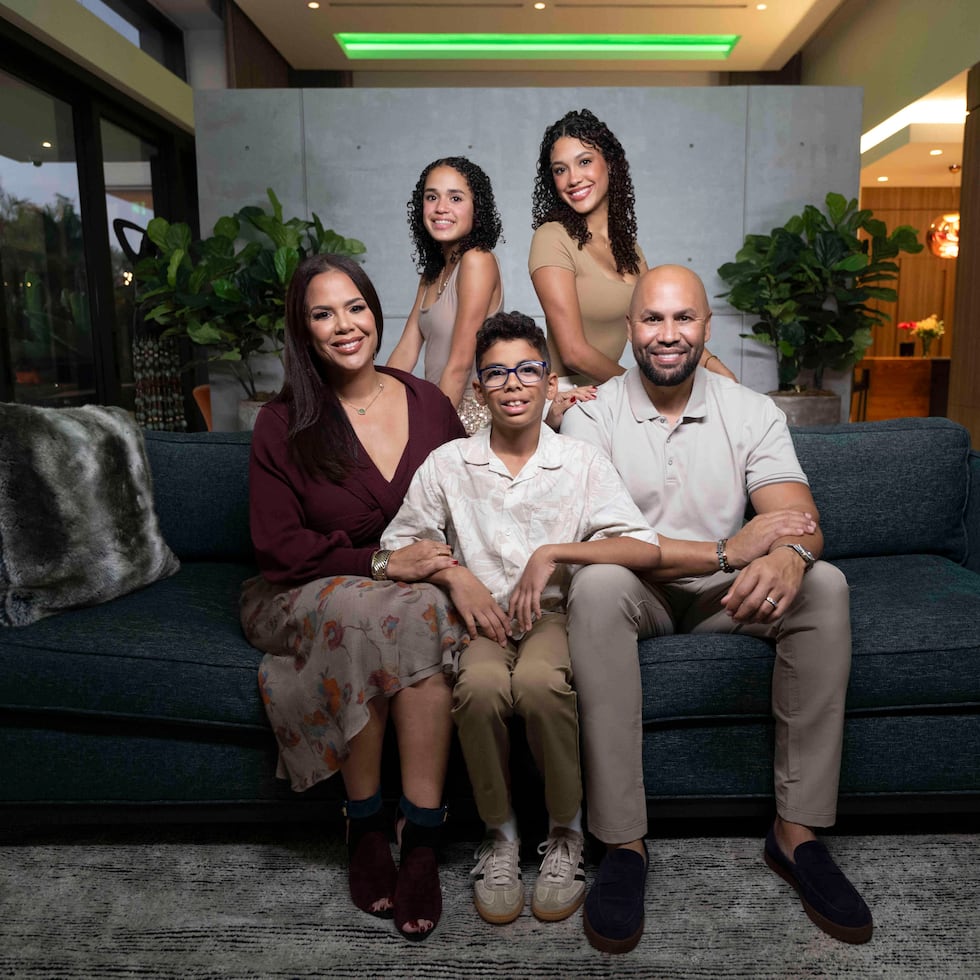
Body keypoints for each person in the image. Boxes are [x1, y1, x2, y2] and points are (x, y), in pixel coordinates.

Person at [561, 264, 872, 953]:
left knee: (825, 584)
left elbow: (799, 521)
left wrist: (789, 555)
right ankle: (622, 844)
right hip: (636, 591)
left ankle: (796, 835)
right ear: (629, 328)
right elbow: (606, 545)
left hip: (722, 600)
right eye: (652, 319)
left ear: (706, 327)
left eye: (683, 319)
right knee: (595, 584)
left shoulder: (751, 411)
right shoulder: (590, 416)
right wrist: (731, 549)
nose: (667, 335)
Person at [382, 311, 662, 927]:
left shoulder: (580, 461)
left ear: (549, 381)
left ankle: (567, 833)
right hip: (477, 625)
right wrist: (452, 574)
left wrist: (556, 553)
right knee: (479, 686)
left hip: (552, 619)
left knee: (538, 684)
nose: (513, 384)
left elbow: (642, 546)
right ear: (479, 388)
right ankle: (499, 835)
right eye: (497, 373)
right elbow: (392, 552)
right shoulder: (448, 463)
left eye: (527, 370)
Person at [240, 253, 468, 942]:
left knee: (418, 609)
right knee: (369, 608)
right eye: (323, 313)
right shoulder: (282, 424)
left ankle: (422, 836)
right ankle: (365, 823)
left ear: (376, 312)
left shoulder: (428, 403)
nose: (344, 325)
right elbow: (279, 550)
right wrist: (380, 561)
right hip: (303, 589)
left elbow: (472, 501)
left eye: (356, 307)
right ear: (303, 331)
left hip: (414, 595)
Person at [529, 107, 737, 397]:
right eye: (560, 169)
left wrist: (718, 369)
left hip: (608, 393)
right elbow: (574, 352)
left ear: (610, 164)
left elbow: (663, 317)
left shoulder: (630, 251)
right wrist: (646, 388)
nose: (573, 178)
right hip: (566, 396)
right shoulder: (551, 237)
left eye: (585, 161)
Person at [387, 156, 505, 435]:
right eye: (432, 197)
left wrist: (430, 433)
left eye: (455, 198)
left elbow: (460, 364)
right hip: (436, 403)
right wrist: (378, 401)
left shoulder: (477, 260)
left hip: (467, 416)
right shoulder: (432, 273)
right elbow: (405, 352)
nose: (441, 208)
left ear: (476, 208)